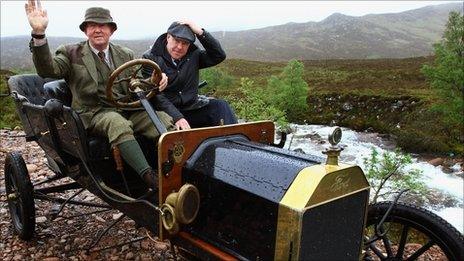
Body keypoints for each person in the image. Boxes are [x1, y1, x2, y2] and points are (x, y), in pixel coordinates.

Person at [25, 1, 175, 189]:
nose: (97, 30)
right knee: (117, 123)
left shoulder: (125, 54)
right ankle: (149, 177)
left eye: (102, 25)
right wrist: (39, 34)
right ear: (85, 30)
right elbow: (48, 69)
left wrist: (157, 81)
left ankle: (178, 169)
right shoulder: (71, 52)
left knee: (162, 118)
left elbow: (136, 84)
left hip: (127, 108)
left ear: (111, 30)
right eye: (92, 25)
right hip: (93, 113)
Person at [142, 21, 237, 129]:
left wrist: (201, 33)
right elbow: (155, 95)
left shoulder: (193, 54)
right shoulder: (150, 59)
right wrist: (177, 117)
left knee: (221, 106)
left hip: (191, 108)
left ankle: (237, 141)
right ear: (168, 37)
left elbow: (218, 55)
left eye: (185, 43)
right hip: (166, 112)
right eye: (176, 41)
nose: (179, 47)